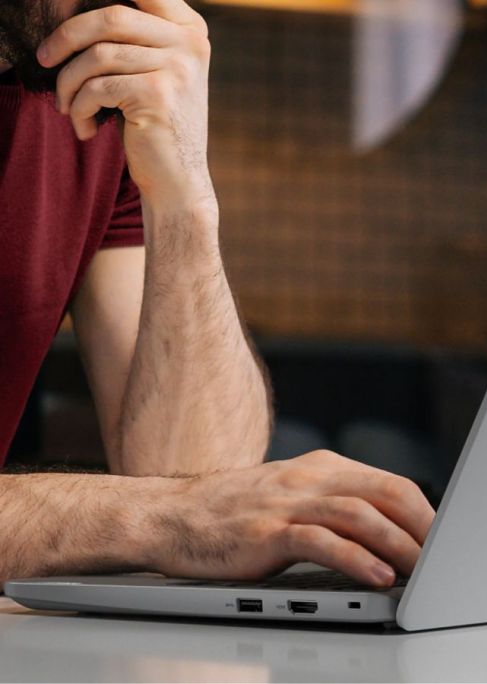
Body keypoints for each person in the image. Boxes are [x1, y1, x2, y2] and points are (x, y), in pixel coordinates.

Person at [0, 0, 435, 588]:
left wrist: (183, 192)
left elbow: (204, 485)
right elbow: (190, 510)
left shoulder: (92, 102)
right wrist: (161, 518)